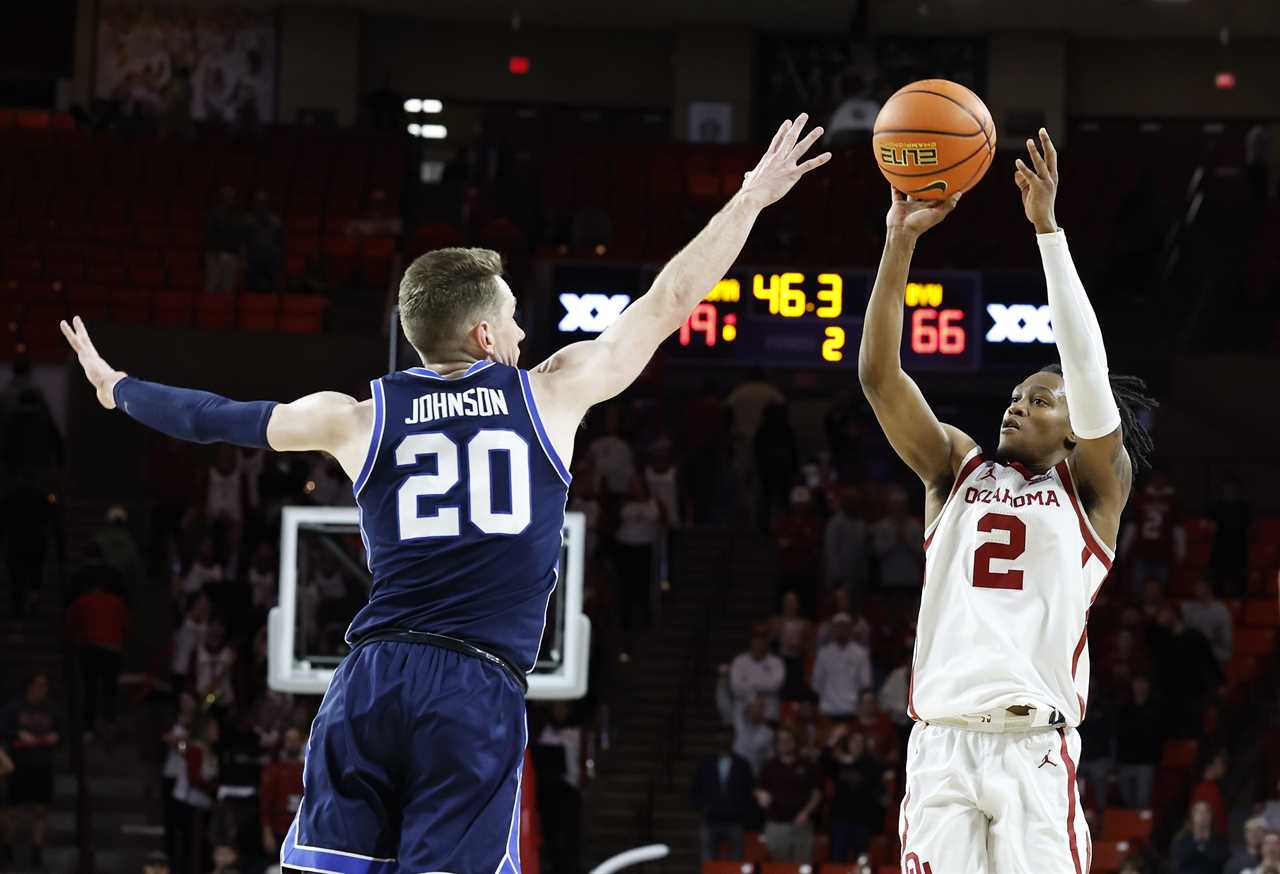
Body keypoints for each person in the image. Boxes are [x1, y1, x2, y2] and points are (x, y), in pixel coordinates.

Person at [62, 115, 831, 871]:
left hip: (368, 679)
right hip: (471, 686)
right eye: (514, 317)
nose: (525, 332)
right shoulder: (551, 395)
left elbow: (217, 418)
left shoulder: (358, 418)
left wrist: (118, 388)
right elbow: (667, 302)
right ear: (486, 338)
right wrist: (750, 198)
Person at [857, 129, 1158, 872]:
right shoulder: (953, 469)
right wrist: (898, 242)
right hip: (942, 743)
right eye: (1016, 396)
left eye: (1042, 401)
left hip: (1032, 747)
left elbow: (1089, 371)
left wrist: (1048, 233)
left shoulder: (1092, 489)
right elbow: (878, 377)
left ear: (1074, 430)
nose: (1018, 407)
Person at [0, 673, 59, 868]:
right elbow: (4, 729)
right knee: (13, 810)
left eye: (45, 685)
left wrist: (54, 738)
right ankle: (7, 847)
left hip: (43, 763)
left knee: (41, 809)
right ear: (29, 686)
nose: (41, 689)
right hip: (19, 764)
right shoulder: (14, 707)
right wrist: (18, 734)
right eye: (38, 685)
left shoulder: (50, 708)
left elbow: (61, 732)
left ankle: (36, 851)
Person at [64, 574, 131, 738]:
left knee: (90, 689)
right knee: (109, 689)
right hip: (112, 650)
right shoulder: (117, 603)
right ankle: (108, 723)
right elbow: (127, 628)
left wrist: (73, 641)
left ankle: (89, 728)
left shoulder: (82, 602)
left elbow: (70, 627)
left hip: (90, 649)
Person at [754, 727, 822, 864]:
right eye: (780, 740)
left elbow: (817, 794)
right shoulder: (768, 766)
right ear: (776, 744)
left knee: (802, 867)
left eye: (788, 739)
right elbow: (758, 789)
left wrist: (806, 812)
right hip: (776, 825)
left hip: (802, 825)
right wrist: (759, 795)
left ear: (795, 742)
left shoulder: (807, 765)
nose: (784, 743)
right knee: (778, 868)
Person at [820, 724, 886, 862]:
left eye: (860, 742)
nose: (857, 745)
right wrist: (833, 739)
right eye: (854, 741)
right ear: (848, 743)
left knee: (862, 861)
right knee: (837, 861)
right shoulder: (838, 764)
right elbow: (822, 762)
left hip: (863, 821)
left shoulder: (871, 765)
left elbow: (879, 790)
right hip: (840, 820)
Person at [691, 726, 755, 862]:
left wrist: (742, 811)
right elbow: (696, 790)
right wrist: (703, 808)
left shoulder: (742, 764)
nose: (724, 739)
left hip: (735, 822)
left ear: (733, 739)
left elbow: (749, 792)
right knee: (708, 862)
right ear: (715, 738)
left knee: (735, 863)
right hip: (710, 821)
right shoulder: (706, 763)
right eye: (721, 736)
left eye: (727, 736)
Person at [1119, 466, 1185, 591]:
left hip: (1163, 552)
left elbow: (1177, 528)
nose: (1158, 480)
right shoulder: (1140, 499)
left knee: (1161, 590)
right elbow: (1132, 526)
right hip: (1142, 551)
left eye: (1160, 477)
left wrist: (1181, 549)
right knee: (1138, 590)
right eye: (1155, 477)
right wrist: (1124, 547)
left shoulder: (1172, 500)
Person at [809, 613, 872, 721]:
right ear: (833, 629)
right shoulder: (823, 653)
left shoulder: (860, 654)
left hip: (852, 710)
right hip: (827, 709)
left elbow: (865, 684)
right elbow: (816, 684)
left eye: (845, 627)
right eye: (838, 627)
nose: (841, 630)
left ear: (850, 629)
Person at [259, 726, 306, 860]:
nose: (292, 743)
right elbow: (266, 804)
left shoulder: (307, 769)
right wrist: (267, 833)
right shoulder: (274, 770)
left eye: (295, 739)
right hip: (279, 830)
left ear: (301, 742)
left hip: (301, 831)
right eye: (289, 739)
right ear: (284, 743)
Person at [729, 626, 786, 723]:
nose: (759, 642)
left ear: (767, 641)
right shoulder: (740, 661)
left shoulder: (776, 662)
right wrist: (762, 687)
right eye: (756, 639)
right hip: (744, 712)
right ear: (751, 641)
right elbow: (735, 687)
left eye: (762, 639)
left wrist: (749, 684)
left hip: (769, 713)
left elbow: (776, 686)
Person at [1181, 579, 1233, 665]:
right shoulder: (1188, 607)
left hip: (1214, 652)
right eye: (1195, 587)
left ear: (1209, 589)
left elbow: (1226, 645)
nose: (1196, 590)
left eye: (1199, 587)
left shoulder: (1221, 611)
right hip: (1192, 651)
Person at [1171, 800, 1229, 874]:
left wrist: (1206, 842)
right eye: (1199, 812)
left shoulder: (1219, 841)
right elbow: (1179, 862)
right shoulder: (1181, 839)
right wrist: (1196, 841)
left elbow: (1223, 861)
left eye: (1206, 812)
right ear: (1193, 816)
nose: (1202, 815)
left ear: (1211, 816)